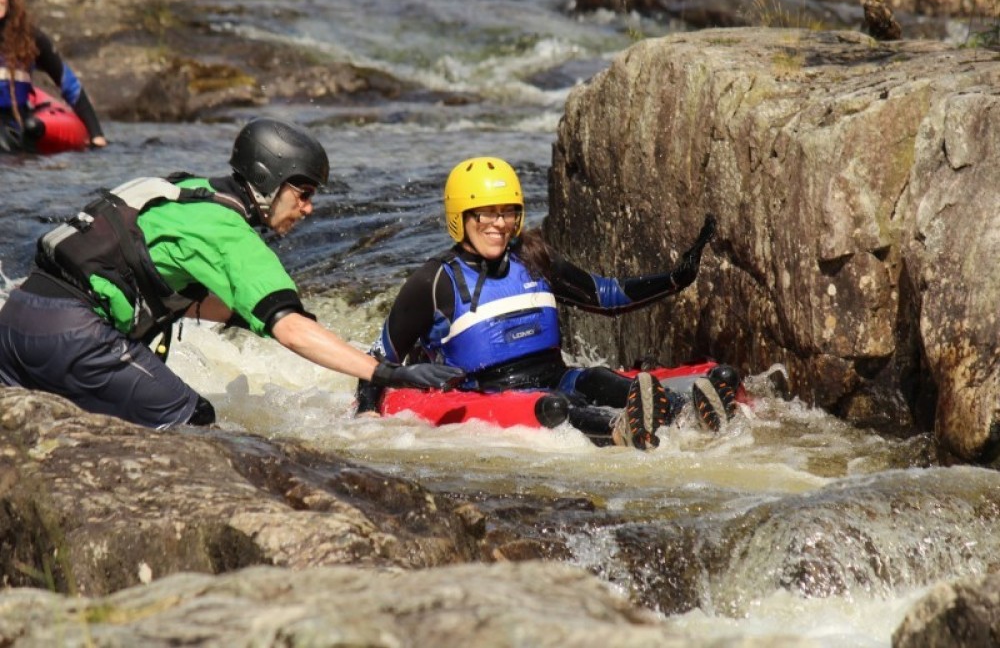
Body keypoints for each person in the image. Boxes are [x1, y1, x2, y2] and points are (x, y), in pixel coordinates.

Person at [0, 117, 464, 429]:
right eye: (301, 191)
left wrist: (257, 320)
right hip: (74, 337)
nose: (309, 207)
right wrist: (384, 373)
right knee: (194, 419)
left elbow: (189, 296)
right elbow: (291, 330)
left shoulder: (187, 190)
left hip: (18, 320)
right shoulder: (228, 232)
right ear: (266, 180)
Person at [355, 156, 739, 449]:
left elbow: (606, 296)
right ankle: (620, 431)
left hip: (557, 375)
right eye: (486, 212)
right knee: (559, 406)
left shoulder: (534, 257)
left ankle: (690, 413)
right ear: (461, 216)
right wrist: (367, 418)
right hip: (494, 394)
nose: (499, 223)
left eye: (508, 212)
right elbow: (377, 357)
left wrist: (674, 278)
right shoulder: (434, 281)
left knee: (598, 379)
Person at [0, 0, 107, 152]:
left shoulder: (30, 38)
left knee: (14, 135)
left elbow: (69, 84)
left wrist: (96, 134)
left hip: (17, 127)